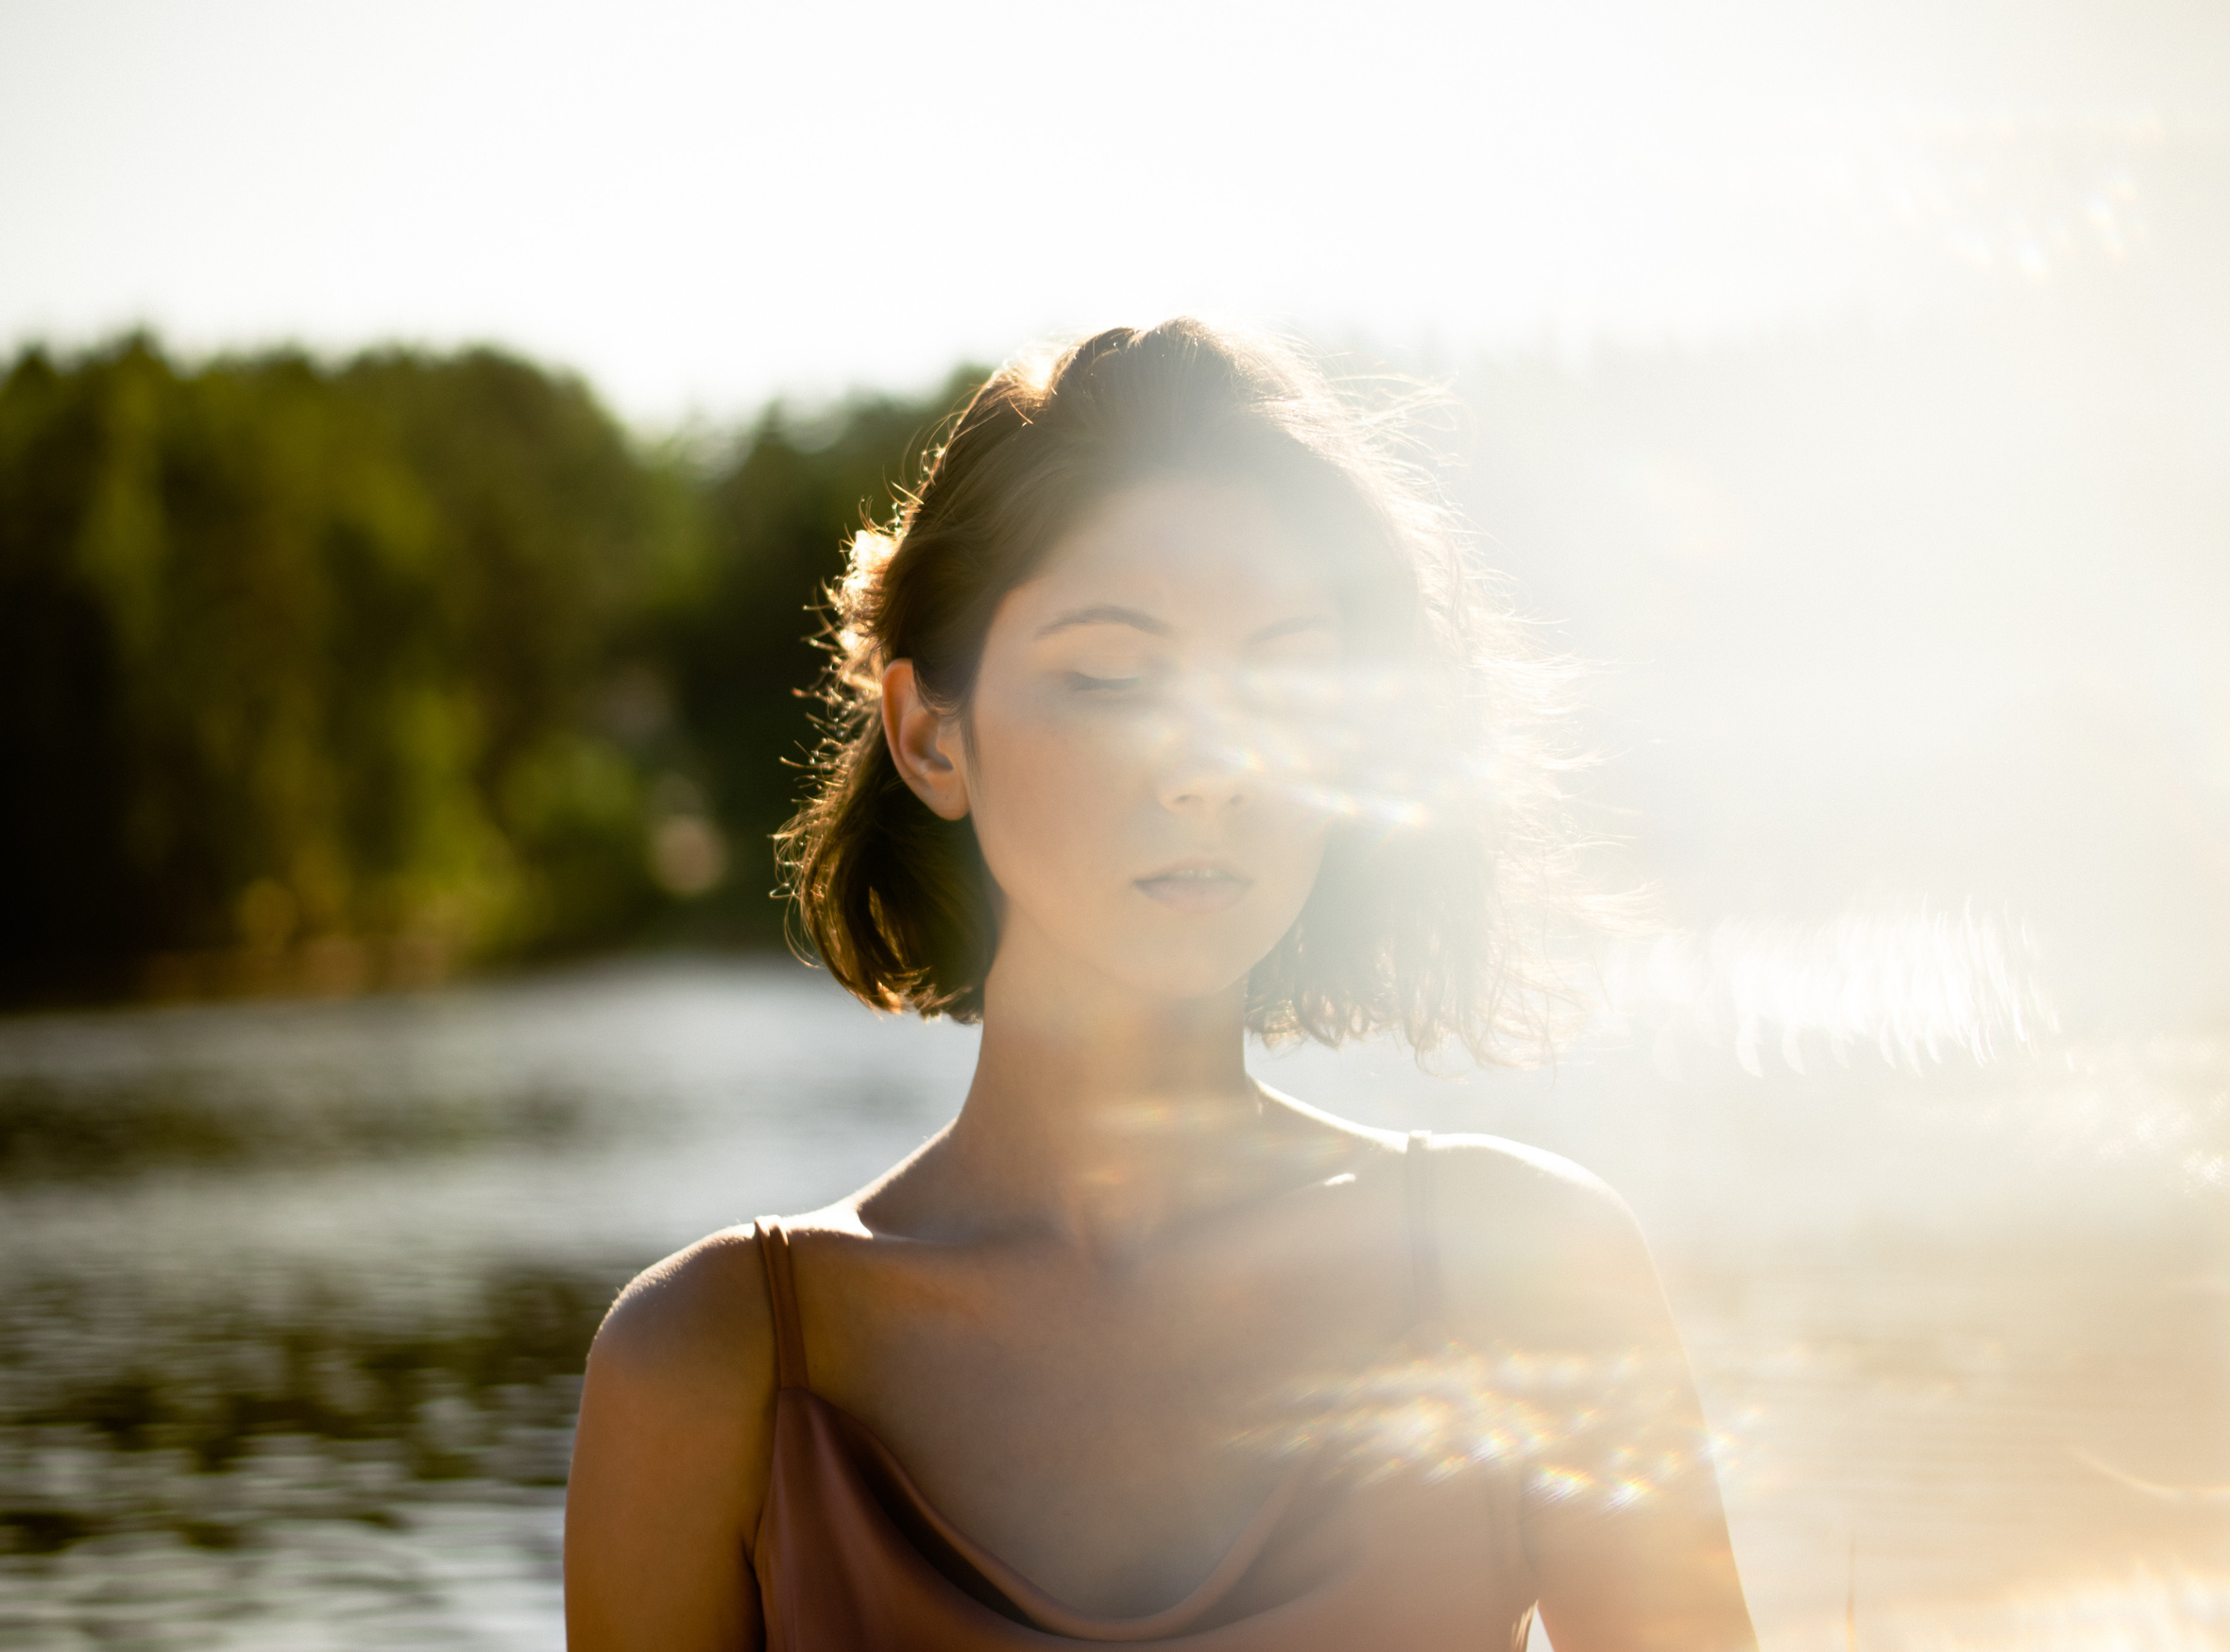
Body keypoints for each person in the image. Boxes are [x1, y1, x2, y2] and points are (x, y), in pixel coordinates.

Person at [563, 319, 1758, 1651]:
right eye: (1114, 676)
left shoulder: (1525, 1275)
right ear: (927, 732)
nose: (1215, 766)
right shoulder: (713, 1367)